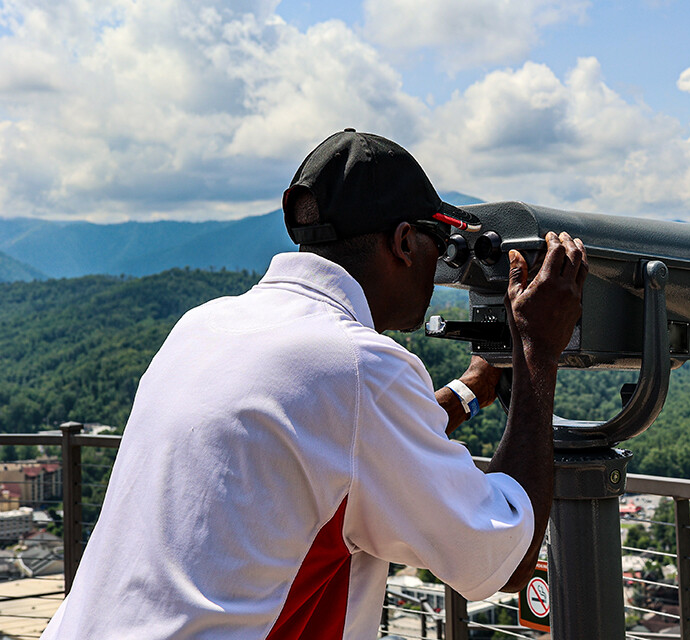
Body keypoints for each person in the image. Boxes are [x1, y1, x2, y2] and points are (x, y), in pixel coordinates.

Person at [41, 129, 587, 639]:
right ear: (403, 242)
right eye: (440, 243)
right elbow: (504, 559)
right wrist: (539, 350)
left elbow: (342, 452)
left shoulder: (205, 324)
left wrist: (469, 390)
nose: (442, 265)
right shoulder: (360, 368)